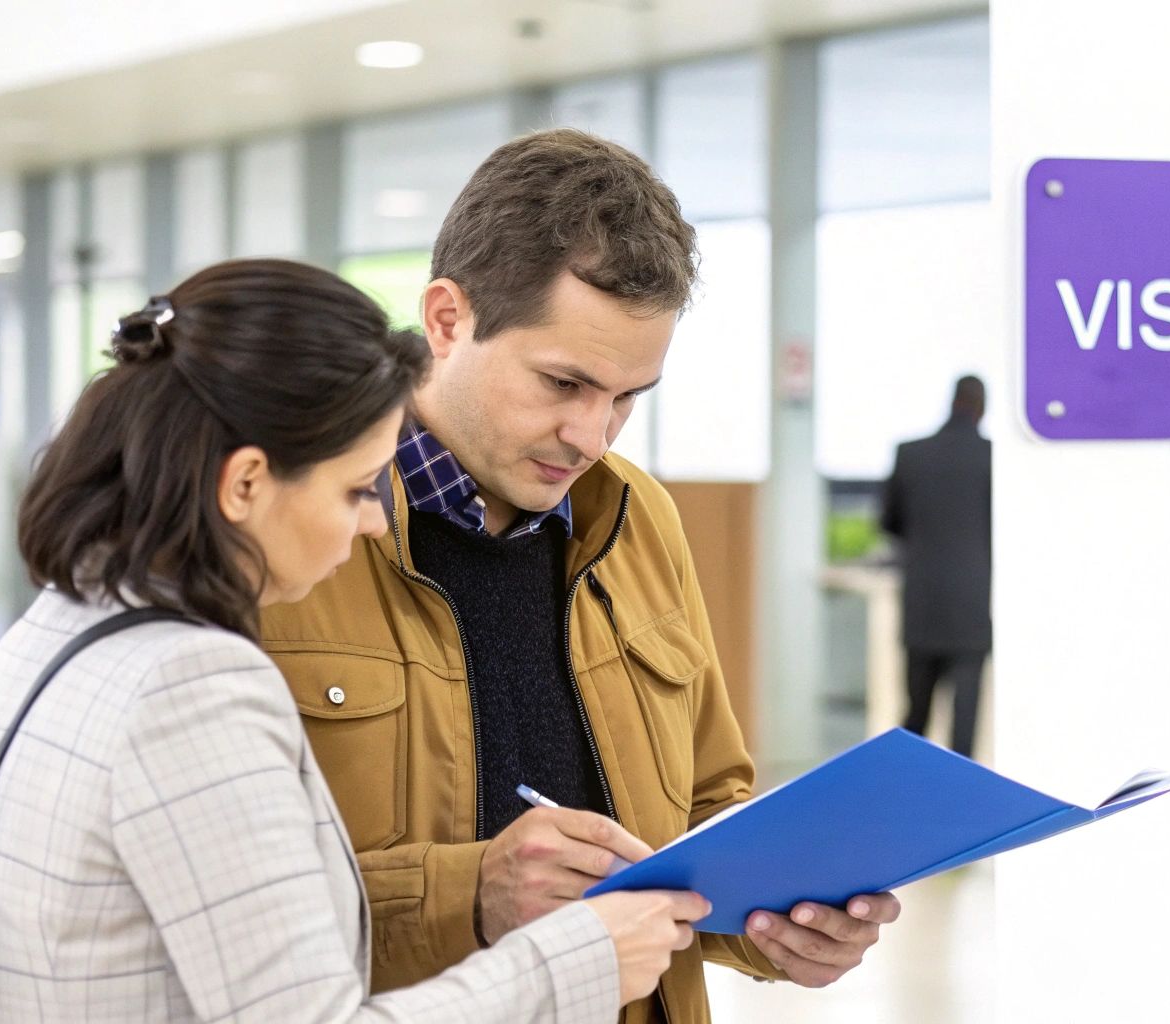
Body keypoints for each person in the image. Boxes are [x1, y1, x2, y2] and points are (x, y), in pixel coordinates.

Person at [0, 259, 707, 1022]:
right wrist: (580, 959)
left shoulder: (56, 630)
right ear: (245, 485)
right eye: (356, 490)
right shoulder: (189, 684)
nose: (376, 519)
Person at [259, 128, 899, 1024]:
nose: (593, 437)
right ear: (447, 320)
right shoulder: (285, 535)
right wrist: (467, 894)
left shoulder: (638, 517)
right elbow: (216, 907)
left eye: (629, 396)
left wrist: (775, 922)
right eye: (563, 383)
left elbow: (709, 803)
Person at [881, 375, 993, 759]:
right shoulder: (993, 459)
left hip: (922, 606)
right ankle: (963, 808)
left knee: (916, 718)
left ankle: (910, 802)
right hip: (974, 611)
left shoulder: (911, 454)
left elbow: (889, 523)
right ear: (981, 408)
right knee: (965, 725)